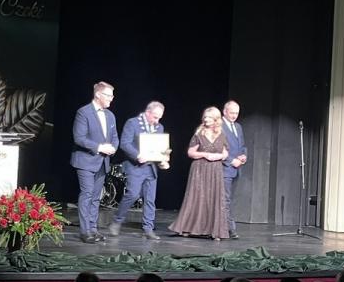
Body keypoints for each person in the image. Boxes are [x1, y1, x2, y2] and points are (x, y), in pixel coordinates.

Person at [108, 100, 170, 240]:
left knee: (150, 199)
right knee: (133, 194)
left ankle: (148, 228)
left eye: (159, 118)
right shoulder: (133, 123)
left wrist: (164, 158)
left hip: (151, 167)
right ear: (147, 112)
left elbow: (161, 148)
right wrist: (137, 155)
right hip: (135, 166)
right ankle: (117, 221)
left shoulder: (159, 127)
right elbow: (125, 143)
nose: (157, 120)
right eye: (155, 117)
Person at [169, 106, 230, 240]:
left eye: (209, 117)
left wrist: (219, 156)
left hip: (215, 170)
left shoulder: (222, 134)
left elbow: (225, 153)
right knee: (197, 197)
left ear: (216, 119)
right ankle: (188, 228)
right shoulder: (199, 133)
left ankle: (214, 231)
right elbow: (191, 152)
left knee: (213, 198)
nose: (206, 119)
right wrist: (205, 154)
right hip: (200, 169)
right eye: (205, 117)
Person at [70, 81, 119, 243]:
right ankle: (85, 231)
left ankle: (93, 229)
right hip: (85, 161)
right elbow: (79, 138)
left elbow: (115, 137)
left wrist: (112, 148)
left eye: (112, 96)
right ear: (98, 94)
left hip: (103, 162)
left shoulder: (110, 115)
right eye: (109, 95)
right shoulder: (83, 112)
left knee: (96, 197)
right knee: (87, 194)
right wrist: (99, 147)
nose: (111, 98)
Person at [221, 100, 248, 239]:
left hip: (236, 170)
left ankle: (227, 227)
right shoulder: (219, 126)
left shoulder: (238, 126)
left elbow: (242, 145)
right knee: (225, 200)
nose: (234, 116)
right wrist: (232, 160)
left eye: (236, 113)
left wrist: (243, 155)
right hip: (224, 169)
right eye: (232, 113)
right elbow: (218, 149)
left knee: (229, 199)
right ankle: (229, 228)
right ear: (224, 111)